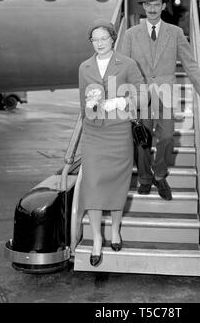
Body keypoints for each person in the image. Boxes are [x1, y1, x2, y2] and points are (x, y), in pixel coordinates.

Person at [121, 0, 200, 201]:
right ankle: (145, 178)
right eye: (149, 5)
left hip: (166, 96)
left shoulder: (175, 33)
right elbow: (123, 67)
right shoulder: (131, 34)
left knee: (166, 137)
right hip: (140, 96)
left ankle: (159, 173)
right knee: (142, 141)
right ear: (144, 7)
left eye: (157, 5)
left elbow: (190, 63)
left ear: (163, 6)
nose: (153, 9)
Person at [78, 19, 147, 267]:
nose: (99, 44)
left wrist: (122, 102)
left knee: (117, 185)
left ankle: (116, 229)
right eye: (94, 40)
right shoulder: (84, 67)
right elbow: (82, 105)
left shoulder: (127, 64)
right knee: (93, 184)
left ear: (112, 39)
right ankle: (97, 238)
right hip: (94, 135)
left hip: (118, 134)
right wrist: (89, 108)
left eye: (103, 39)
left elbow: (143, 94)